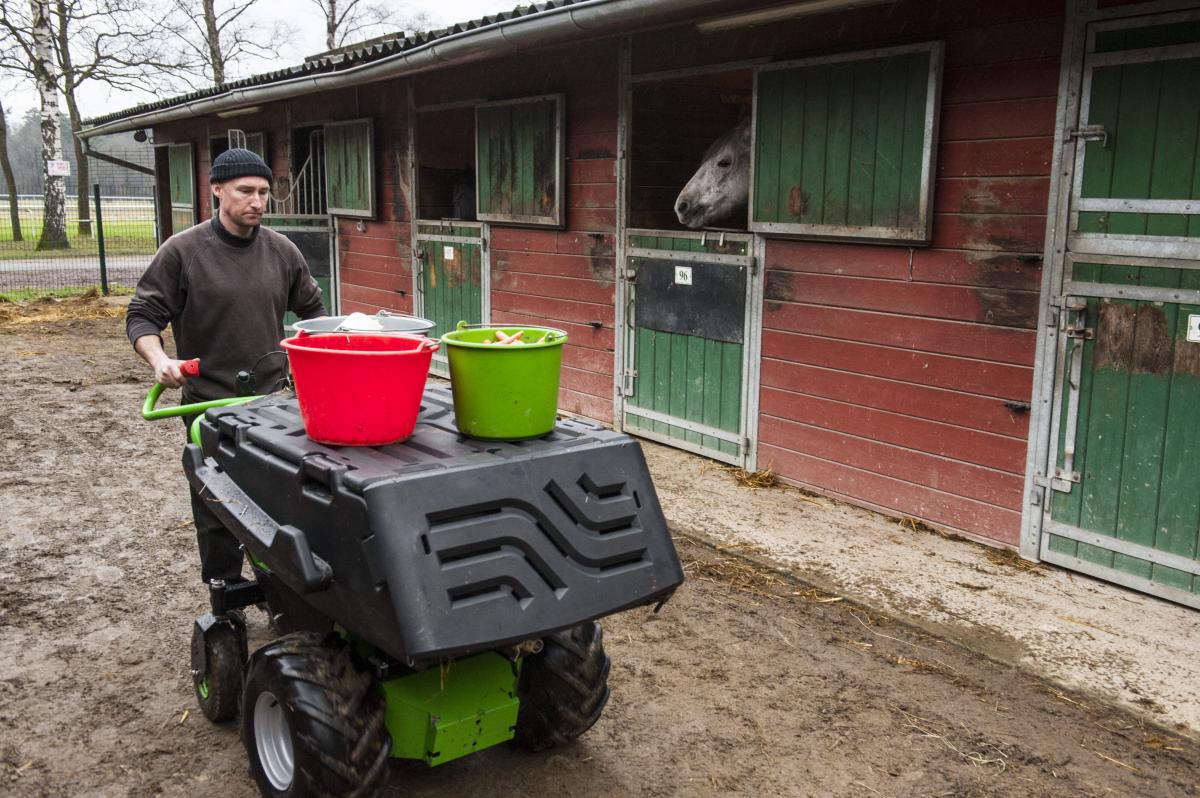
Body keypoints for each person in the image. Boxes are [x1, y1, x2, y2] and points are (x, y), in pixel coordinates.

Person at [126, 147, 326, 584]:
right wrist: (161, 360)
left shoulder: (282, 251)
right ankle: (226, 596)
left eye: (264, 192)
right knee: (217, 505)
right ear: (217, 189)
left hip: (272, 403)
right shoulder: (183, 251)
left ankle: (281, 592)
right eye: (245, 191)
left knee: (279, 501)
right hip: (209, 407)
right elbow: (142, 315)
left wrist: (311, 357)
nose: (257, 201)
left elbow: (314, 315)